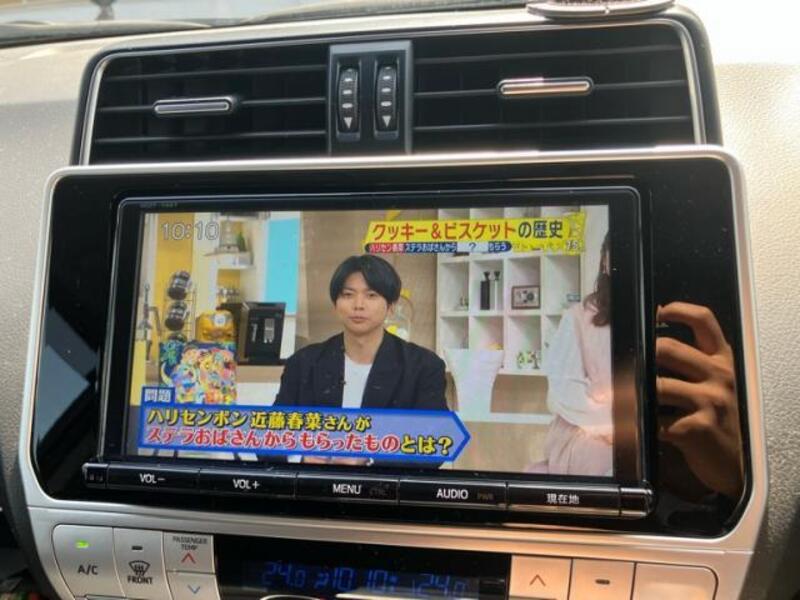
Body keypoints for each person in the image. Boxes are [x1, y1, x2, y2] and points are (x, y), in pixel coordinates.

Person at [274, 254, 447, 412]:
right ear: (335, 304)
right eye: (348, 295)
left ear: (391, 306)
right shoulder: (302, 364)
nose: (358, 305)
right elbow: (276, 427)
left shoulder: (423, 367)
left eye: (371, 295)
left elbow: (435, 432)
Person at [540, 233, 613, 476]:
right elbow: (564, 390)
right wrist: (613, 426)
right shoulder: (579, 317)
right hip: (590, 436)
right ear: (605, 261)